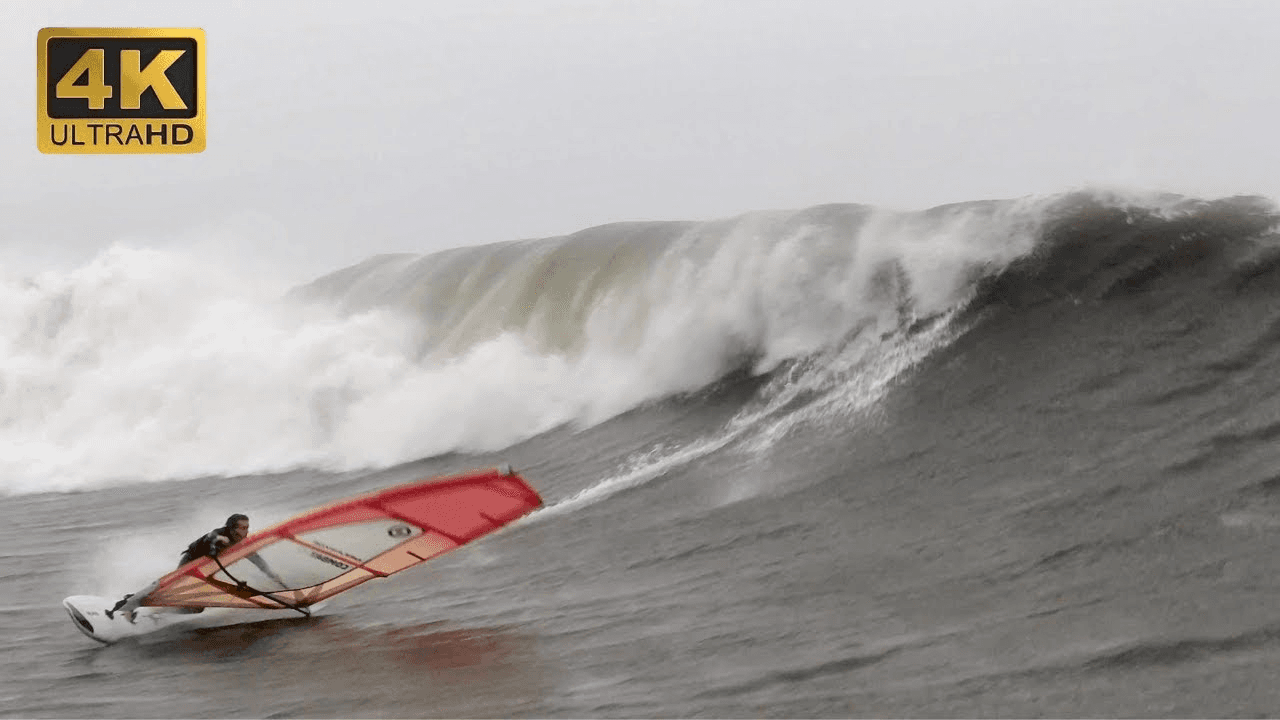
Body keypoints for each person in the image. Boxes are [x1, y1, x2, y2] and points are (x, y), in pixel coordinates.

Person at [107, 513, 287, 622]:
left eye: (248, 527)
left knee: (196, 607)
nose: (246, 531)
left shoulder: (242, 543)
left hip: (205, 571)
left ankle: (157, 613)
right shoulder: (218, 534)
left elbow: (258, 561)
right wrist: (217, 543)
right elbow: (211, 543)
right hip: (191, 562)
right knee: (171, 587)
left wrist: (273, 576)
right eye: (243, 528)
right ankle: (128, 605)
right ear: (231, 528)